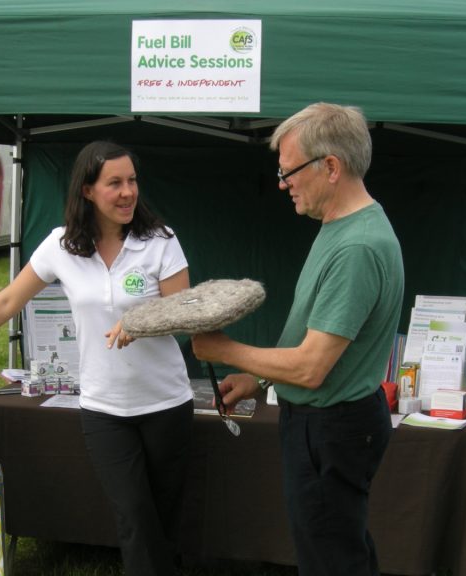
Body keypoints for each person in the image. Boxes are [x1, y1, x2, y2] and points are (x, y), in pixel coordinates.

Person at [0, 141, 194, 576]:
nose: (128, 191)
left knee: (162, 517)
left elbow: (186, 313)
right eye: (115, 183)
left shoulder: (160, 241)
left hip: (166, 404)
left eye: (132, 181)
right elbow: (6, 302)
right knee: (133, 514)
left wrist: (143, 322)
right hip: (105, 409)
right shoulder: (61, 245)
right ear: (88, 191)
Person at [192, 102, 404, 576]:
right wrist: (256, 377)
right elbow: (319, 346)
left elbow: (311, 368)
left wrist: (223, 349)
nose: (283, 182)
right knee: (339, 548)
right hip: (329, 422)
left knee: (330, 560)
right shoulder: (343, 225)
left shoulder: (357, 247)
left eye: (290, 171)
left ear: (331, 167)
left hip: (331, 428)